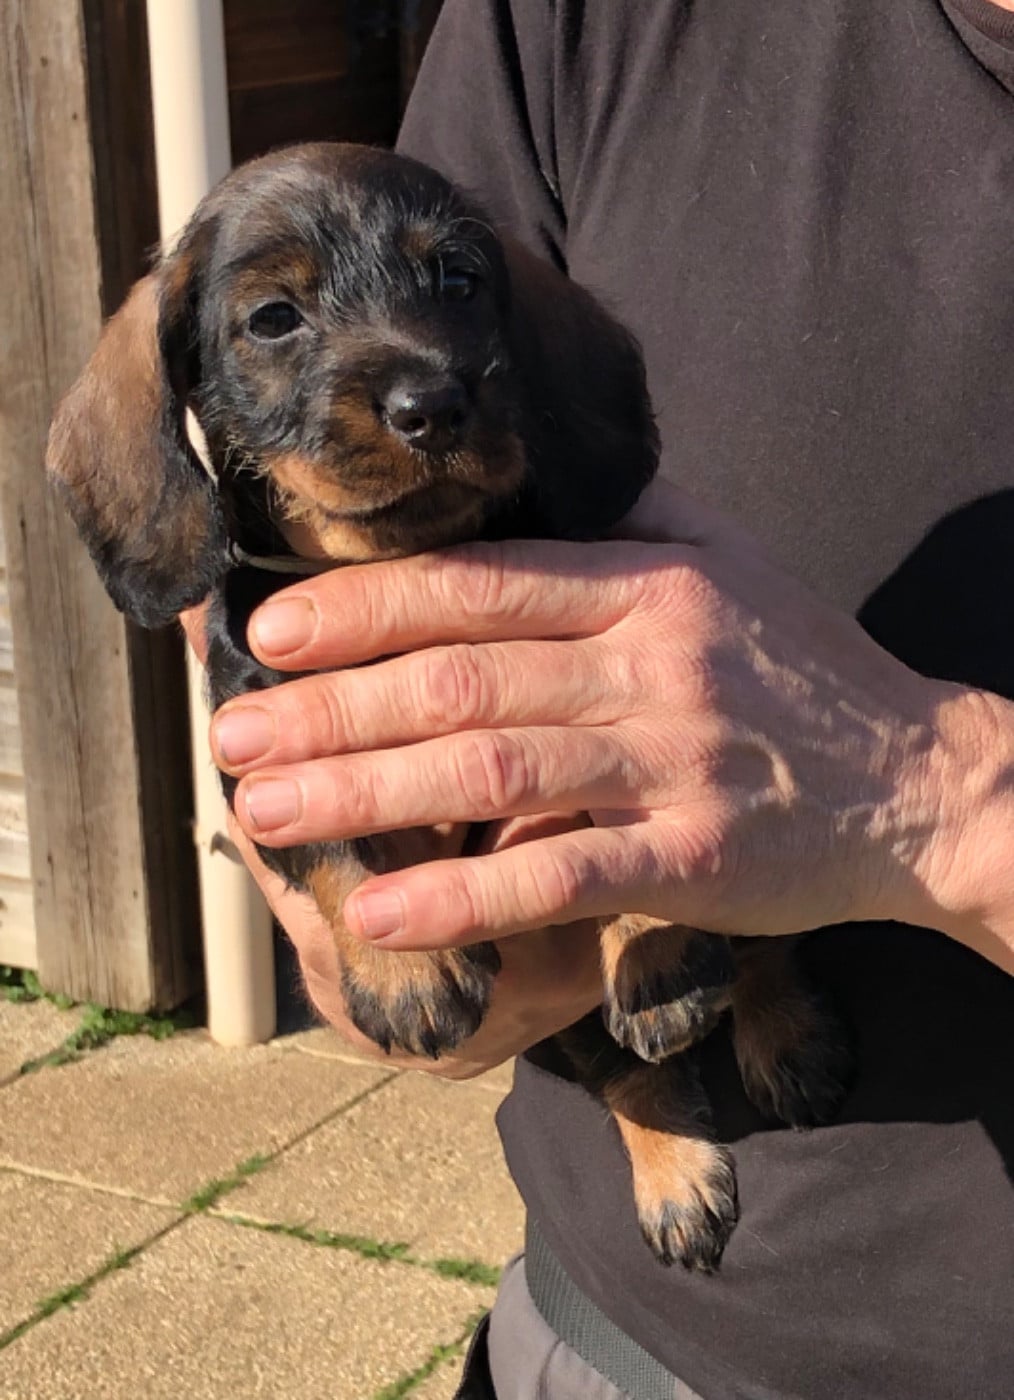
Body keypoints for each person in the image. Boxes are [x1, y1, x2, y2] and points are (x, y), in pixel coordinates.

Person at [193, 2, 1014, 1395]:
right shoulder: (566, 21)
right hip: (608, 1340)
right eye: (278, 318)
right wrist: (353, 888)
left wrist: (933, 797)